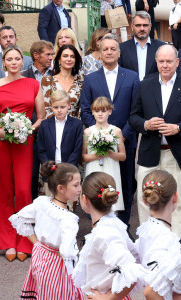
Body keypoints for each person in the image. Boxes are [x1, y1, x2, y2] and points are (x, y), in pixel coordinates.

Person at [0, 45, 45, 262]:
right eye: (10, 59)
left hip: (23, 141)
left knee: (23, 189)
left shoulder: (34, 84)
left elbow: (40, 117)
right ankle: (7, 241)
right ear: (4, 63)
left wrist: (26, 131)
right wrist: (3, 131)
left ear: (23, 62)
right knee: (2, 189)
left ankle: (25, 239)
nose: (14, 62)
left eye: (18, 58)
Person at [81, 34, 139, 226]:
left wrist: (121, 136)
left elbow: (136, 110)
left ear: (119, 53)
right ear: (100, 51)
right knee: (98, 186)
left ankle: (123, 226)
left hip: (125, 142)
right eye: (105, 49)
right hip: (97, 146)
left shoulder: (131, 77)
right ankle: (99, 225)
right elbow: (86, 110)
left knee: (125, 184)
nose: (109, 52)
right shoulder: (90, 79)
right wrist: (99, 136)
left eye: (113, 49)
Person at [9, 161, 84, 299]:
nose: (80, 189)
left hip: (40, 256)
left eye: (80, 183)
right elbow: (68, 253)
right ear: (61, 188)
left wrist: (37, 243)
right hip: (56, 265)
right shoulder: (68, 219)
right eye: (76, 185)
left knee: (42, 292)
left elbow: (19, 218)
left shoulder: (42, 202)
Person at [129, 44, 181, 237]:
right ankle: (147, 238)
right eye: (161, 61)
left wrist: (178, 128)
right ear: (156, 63)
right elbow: (133, 117)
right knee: (145, 199)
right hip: (150, 152)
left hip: (175, 154)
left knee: (177, 200)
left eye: (169, 61)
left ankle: (175, 243)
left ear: (177, 62)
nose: (165, 65)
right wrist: (146, 124)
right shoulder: (145, 85)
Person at [72, 172, 147, 299]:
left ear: (84, 199)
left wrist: (110, 298)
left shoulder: (105, 233)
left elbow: (132, 271)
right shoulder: (111, 223)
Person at [135, 170, 181, 300]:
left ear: (145, 200)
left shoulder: (145, 231)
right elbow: (151, 291)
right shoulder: (170, 242)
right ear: (175, 197)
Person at [22, 40, 54, 200]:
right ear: (36, 55)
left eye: (52, 54)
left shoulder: (57, 75)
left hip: (53, 132)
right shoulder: (22, 76)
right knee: (31, 175)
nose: (51, 57)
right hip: (31, 132)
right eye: (48, 54)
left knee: (53, 173)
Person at [83, 97, 125, 211]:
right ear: (92, 112)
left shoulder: (116, 131)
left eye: (103, 111)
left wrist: (109, 153)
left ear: (109, 112)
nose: (100, 114)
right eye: (97, 111)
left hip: (111, 168)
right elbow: (83, 157)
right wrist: (97, 155)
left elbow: (123, 156)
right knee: (94, 204)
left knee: (111, 205)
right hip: (94, 168)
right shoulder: (88, 131)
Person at [38, 90, 83, 168]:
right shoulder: (44, 125)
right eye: (55, 107)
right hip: (50, 170)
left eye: (62, 107)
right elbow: (41, 149)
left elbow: (77, 150)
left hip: (69, 169)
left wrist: (67, 168)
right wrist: (49, 167)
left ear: (69, 105)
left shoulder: (77, 124)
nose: (59, 110)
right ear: (51, 106)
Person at [0, 26, 32, 94]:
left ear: (16, 39)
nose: (8, 40)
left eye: (11, 37)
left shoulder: (28, 61)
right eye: (4, 37)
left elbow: (32, 85)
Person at [119, 11, 165, 81]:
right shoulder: (121, 48)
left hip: (153, 91)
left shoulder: (162, 47)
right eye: (138, 25)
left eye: (145, 25)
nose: (142, 29)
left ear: (150, 27)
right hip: (129, 91)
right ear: (132, 27)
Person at [42, 44, 83, 118]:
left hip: (74, 126)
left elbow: (81, 109)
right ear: (59, 60)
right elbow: (46, 108)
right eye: (65, 56)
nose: (69, 59)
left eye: (72, 56)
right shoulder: (48, 80)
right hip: (52, 125)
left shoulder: (80, 81)